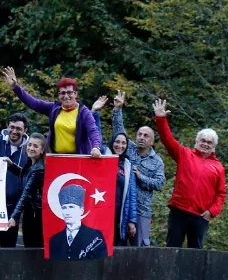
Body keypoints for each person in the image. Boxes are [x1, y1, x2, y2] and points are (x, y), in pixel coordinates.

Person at [153, 98, 226, 249]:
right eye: (203, 140)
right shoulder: (185, 154)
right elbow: (168, 140)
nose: (205, 144)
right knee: (172, 249)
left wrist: (212, 212)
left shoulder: (218, 167)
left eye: (209, 142)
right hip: (179, 211)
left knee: (196, 255)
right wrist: (161, 119)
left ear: (214, 146)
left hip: (200, 216)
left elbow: (221, 194)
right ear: (197, 141)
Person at [2, 66, 102, 157]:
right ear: (58, 95)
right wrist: (16, 87)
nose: (66, 96)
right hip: (56, 158)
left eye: (69, 92)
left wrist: (96, 147)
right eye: (62, 93)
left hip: (78, 159)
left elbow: (93, 131)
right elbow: (33, 103)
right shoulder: (54, 108)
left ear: (75, 94)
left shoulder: (84, 112)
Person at [110, 91, 165, 246]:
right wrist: (117, 109)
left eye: (146, 135)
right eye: (140, 134)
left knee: (139, 248)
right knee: (117, 246)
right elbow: (118, 131)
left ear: (152, 141)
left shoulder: (157, 161)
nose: (141, 137)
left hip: (142, 211)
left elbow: (160, 184)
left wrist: (141, 177)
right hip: (121, 206)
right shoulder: (129, 148)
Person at [90, 96, 137, 248]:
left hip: (120, 216)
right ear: (112, 142)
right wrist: (95, 112)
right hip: (100, 211)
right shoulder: (104, 155)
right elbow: (94, 134)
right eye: (117, 141)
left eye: (124, 143)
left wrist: (132, 221)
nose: (120, 145)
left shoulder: (128, 165)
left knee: (117, 250)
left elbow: (132, 196)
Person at [0, 112, 29, 248]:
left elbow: (28, 176)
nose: (14, 131)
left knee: (8, 248)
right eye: (12, 127)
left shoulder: (29, 150)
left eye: (19, 129)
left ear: (25, 131)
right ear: (7, 126)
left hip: (12, 207)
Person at [6, 133, 46, 249]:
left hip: (35, 216)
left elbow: (26, 193)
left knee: (33, 249)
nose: (31, 148)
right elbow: (25, 175)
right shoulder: (31, 164)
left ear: (42, 150)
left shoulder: (39, 169)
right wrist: (12, 166)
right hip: (30, 213)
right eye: (29, 145)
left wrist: (14, 216)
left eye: (35, 146)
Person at [47, 184, 108, 261]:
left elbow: (100, 262)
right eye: (64, 208)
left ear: (81, 210)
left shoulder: (95, 235)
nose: (67, 212)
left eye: (71, 207)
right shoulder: (54, 239)